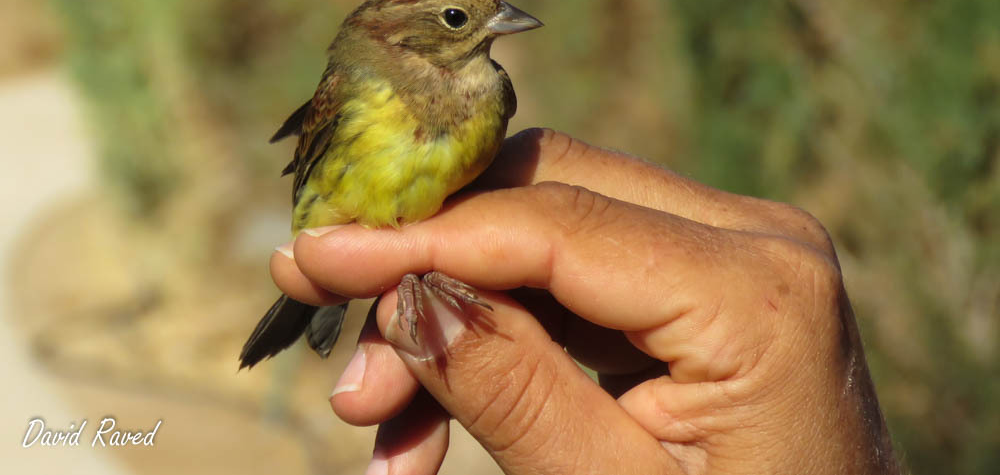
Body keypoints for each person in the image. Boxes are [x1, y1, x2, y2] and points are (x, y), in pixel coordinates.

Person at [269, 128, 902, 474]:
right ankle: (319, 308)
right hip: (348, 227)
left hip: (419, 254)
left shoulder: (492, 102)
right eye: (460, 21)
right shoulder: (361, 90)